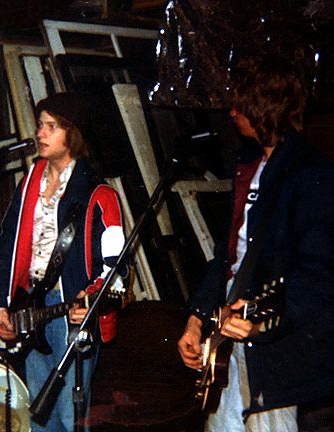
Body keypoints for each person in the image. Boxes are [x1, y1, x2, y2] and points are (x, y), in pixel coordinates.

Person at [177, 58, 334, 431]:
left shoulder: (312, 174)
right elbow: (226, 256)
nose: (232, 112)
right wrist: (196, 319)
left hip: (274, 347)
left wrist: (265, 322)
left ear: (266, 107)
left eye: (240, 104)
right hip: (229, 333)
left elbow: (318, 273)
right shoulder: (249, 166)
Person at [0, 92, 126, 432]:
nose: (40, 133)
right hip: (30, 307)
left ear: (72, 133)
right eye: (40, 125)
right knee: (38, 414)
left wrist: (92, 300)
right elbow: (7, 245)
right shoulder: (29, 184)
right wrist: (1, 304)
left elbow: (116, 267)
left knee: (69, 415)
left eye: (52, 127)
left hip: (70, 313)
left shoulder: (98, 192)